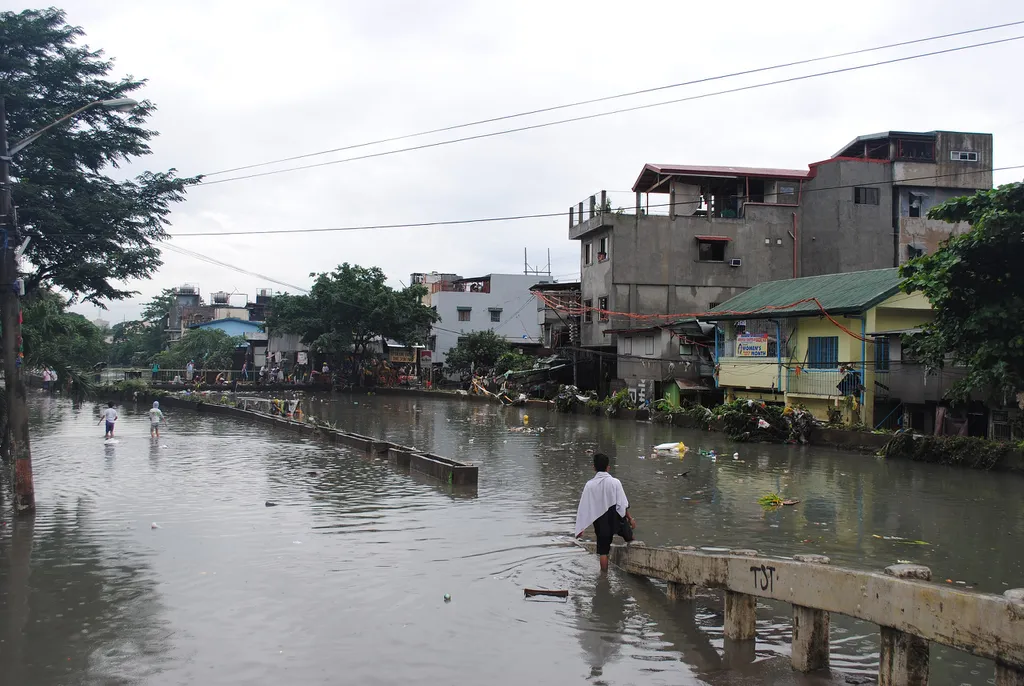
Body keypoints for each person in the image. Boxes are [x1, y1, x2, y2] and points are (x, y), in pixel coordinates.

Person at [574, 452, 636, 572]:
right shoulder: (615, 482)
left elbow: (584, 506)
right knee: (630, 537)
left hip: (600, 518)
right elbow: (623, 503)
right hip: (616, 516)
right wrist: (630, 518)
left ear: (594, 467)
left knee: (603, 551)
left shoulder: (589, 485)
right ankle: (634, 562)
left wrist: (581, 528)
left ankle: (603, 577)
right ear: (608, 467)